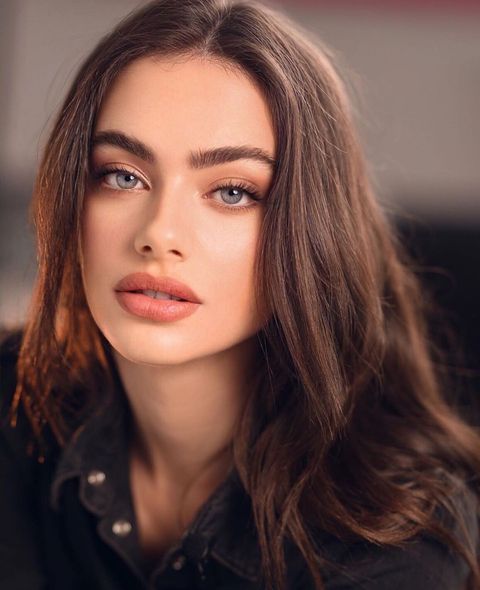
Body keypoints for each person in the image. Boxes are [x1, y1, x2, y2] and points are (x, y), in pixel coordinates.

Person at [1, 0, 479, 588]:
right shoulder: (11, 411)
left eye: (231, 192)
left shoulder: (390, 545)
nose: (158, 234)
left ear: (311, 229)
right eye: (123, 176)